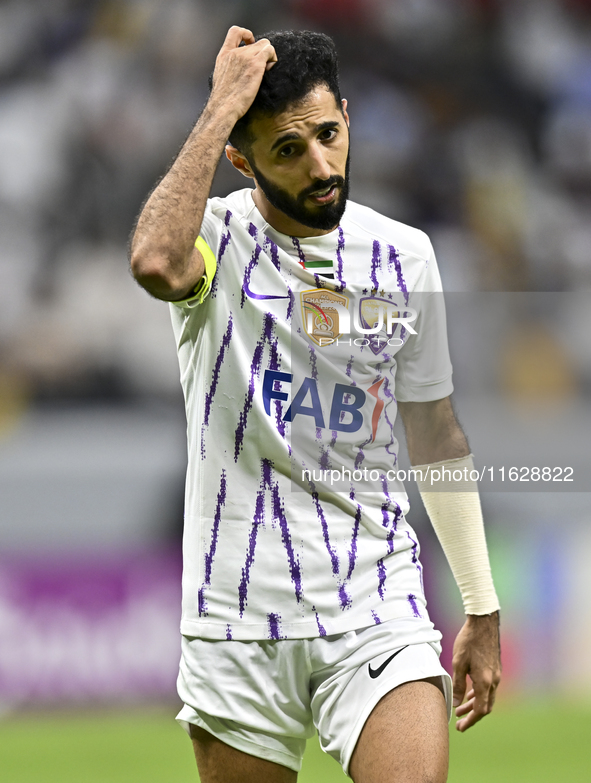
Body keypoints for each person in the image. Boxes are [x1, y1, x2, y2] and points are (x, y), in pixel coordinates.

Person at [130, 26, 501, 783]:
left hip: (374, 598)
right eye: (288, 150)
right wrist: (218, 107)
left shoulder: (404, 255)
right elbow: (155, 262)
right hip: (237, 613)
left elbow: (433, 431)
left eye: (329, 134)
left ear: (347, 118)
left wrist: (480, 604)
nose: (322, 166)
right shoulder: (214, 241)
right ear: (242, 159)